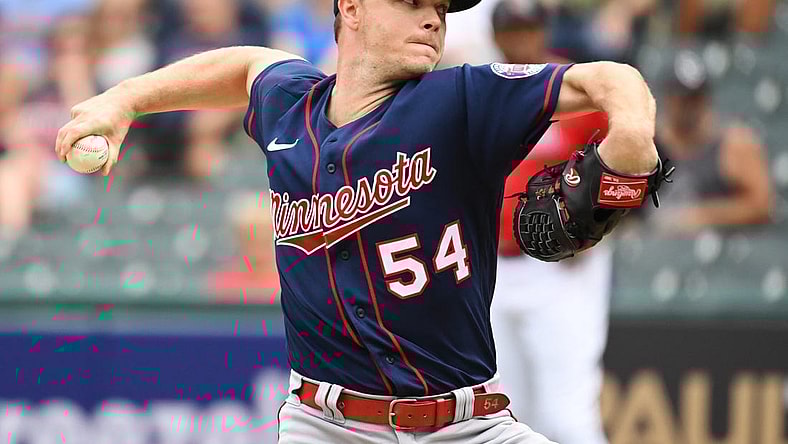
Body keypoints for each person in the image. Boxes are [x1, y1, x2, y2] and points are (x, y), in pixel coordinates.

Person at [55, 0, 660, 440]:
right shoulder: (291, 105)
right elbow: (244, 66)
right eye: (412, 2)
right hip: (325, 426)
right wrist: (122, 100)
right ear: (351, 7)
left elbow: (612, 81)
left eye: (441, 8)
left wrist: (631, 142)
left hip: (467, 426)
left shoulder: (462, 99)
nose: (433, 19)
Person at [489, 1, 613, 443]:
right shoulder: (480, 92)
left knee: (567, 416)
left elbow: (631, 161)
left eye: (529, 27)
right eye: (513, 29)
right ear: (498, 34)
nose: (522, 38)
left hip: (563, 268)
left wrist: (599, 221)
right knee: (506, 415)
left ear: (544, 29)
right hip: (495, 267)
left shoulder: (577, 91)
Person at [647, 50, 773, 233]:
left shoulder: (734, 143)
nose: (689, 106)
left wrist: (702, 215)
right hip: (652, 249)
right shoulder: (648, 141)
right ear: (667, 97)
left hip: (719, 251)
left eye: (695, 97)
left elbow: (762, 206)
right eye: (682, 98)